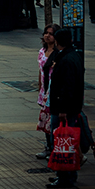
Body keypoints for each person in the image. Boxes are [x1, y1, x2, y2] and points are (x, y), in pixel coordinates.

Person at [46, 27, 87, 189]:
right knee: (66, 143)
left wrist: (62, 110)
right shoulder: (72, 56)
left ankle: (64, 176)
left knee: (61, 142)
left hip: (64, 109)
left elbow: (67, 86)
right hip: (69, 108)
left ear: (56, 41)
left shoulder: (67, 60)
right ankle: (67, 174)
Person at [35, 25, 60, 159]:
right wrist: (40, 89)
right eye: (46, 33)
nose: (47, 36)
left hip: (54, 91)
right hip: (45, 92)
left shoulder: (58, 53)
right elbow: (40, 71)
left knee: (53, 122)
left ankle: (54, 147)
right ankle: (48, 146)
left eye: (51, 34)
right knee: (45, 121)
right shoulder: (42, 51)